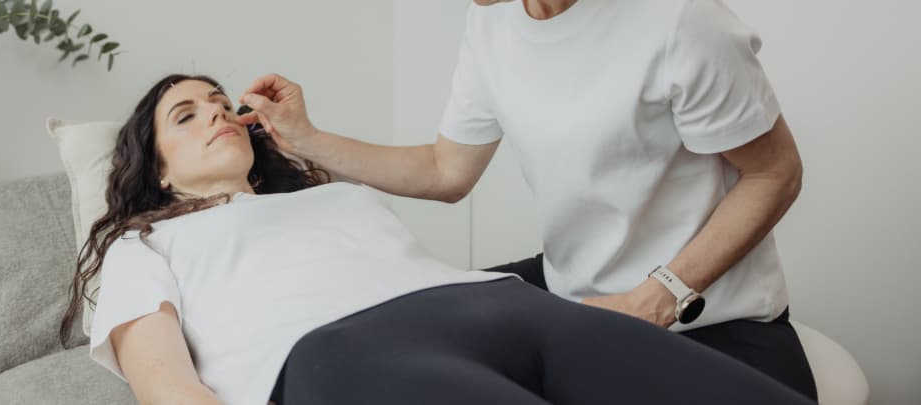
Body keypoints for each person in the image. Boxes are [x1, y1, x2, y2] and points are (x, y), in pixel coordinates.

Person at [232, 0, 817, 399]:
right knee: (356, 347)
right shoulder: (496, 20)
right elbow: (446, 171)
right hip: (574, 306)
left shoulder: (678, 18)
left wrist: (658, 297)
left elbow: (775, 173)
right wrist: (306, 138)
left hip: (704, 322)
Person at [64, 74, 814, 405]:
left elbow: (437, 189)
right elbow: (165, 383)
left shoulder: (334, 196)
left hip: (499, 305)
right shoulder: (146, 246)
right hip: (343, 352)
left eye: (218, 102)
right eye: (186, 116)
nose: (216, 114)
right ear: (158, 171)